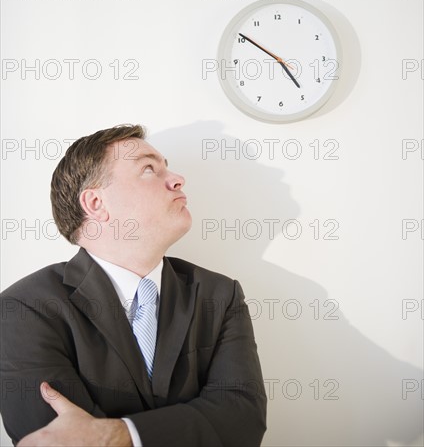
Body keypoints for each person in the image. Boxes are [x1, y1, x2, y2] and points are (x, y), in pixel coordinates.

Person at [0, 124, 267, 446]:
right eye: (149, 169)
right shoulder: (23, 307)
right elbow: (57, 439)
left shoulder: (219, 294)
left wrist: (119, 434)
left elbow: (243, 418)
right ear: (96, 204)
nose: (177, 179)